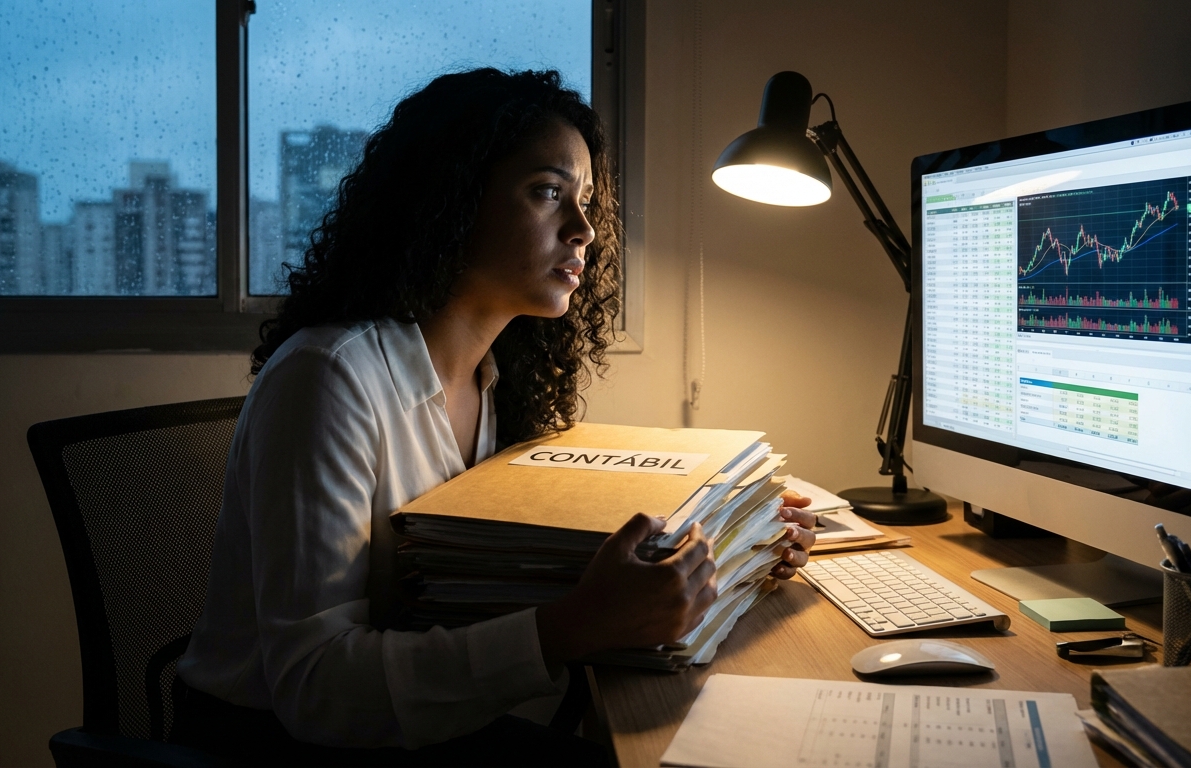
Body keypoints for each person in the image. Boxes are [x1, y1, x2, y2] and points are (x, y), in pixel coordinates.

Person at [173, 69, 816, 766]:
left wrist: (740, 540)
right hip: (273, 744)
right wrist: (571, 627)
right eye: (547, 193)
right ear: (450, 199)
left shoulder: (499, 383)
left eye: (588, 201)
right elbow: (315, 687)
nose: (584, 230)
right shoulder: (329, 377)